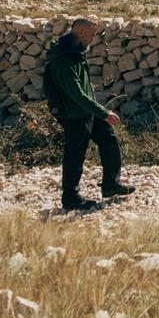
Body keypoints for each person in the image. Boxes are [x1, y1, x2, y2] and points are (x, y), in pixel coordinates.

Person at [44, 18, 134, 211]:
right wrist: (103, 112)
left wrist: (98, 111)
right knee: (75, 156)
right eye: (92, 34)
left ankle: (111, 185)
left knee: (109, 140)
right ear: (82, 33)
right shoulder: (64, 59)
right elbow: (76, 93)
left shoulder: (76, 52)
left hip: (88, 111)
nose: (94, 38)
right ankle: (70, 198)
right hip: (74, 115)